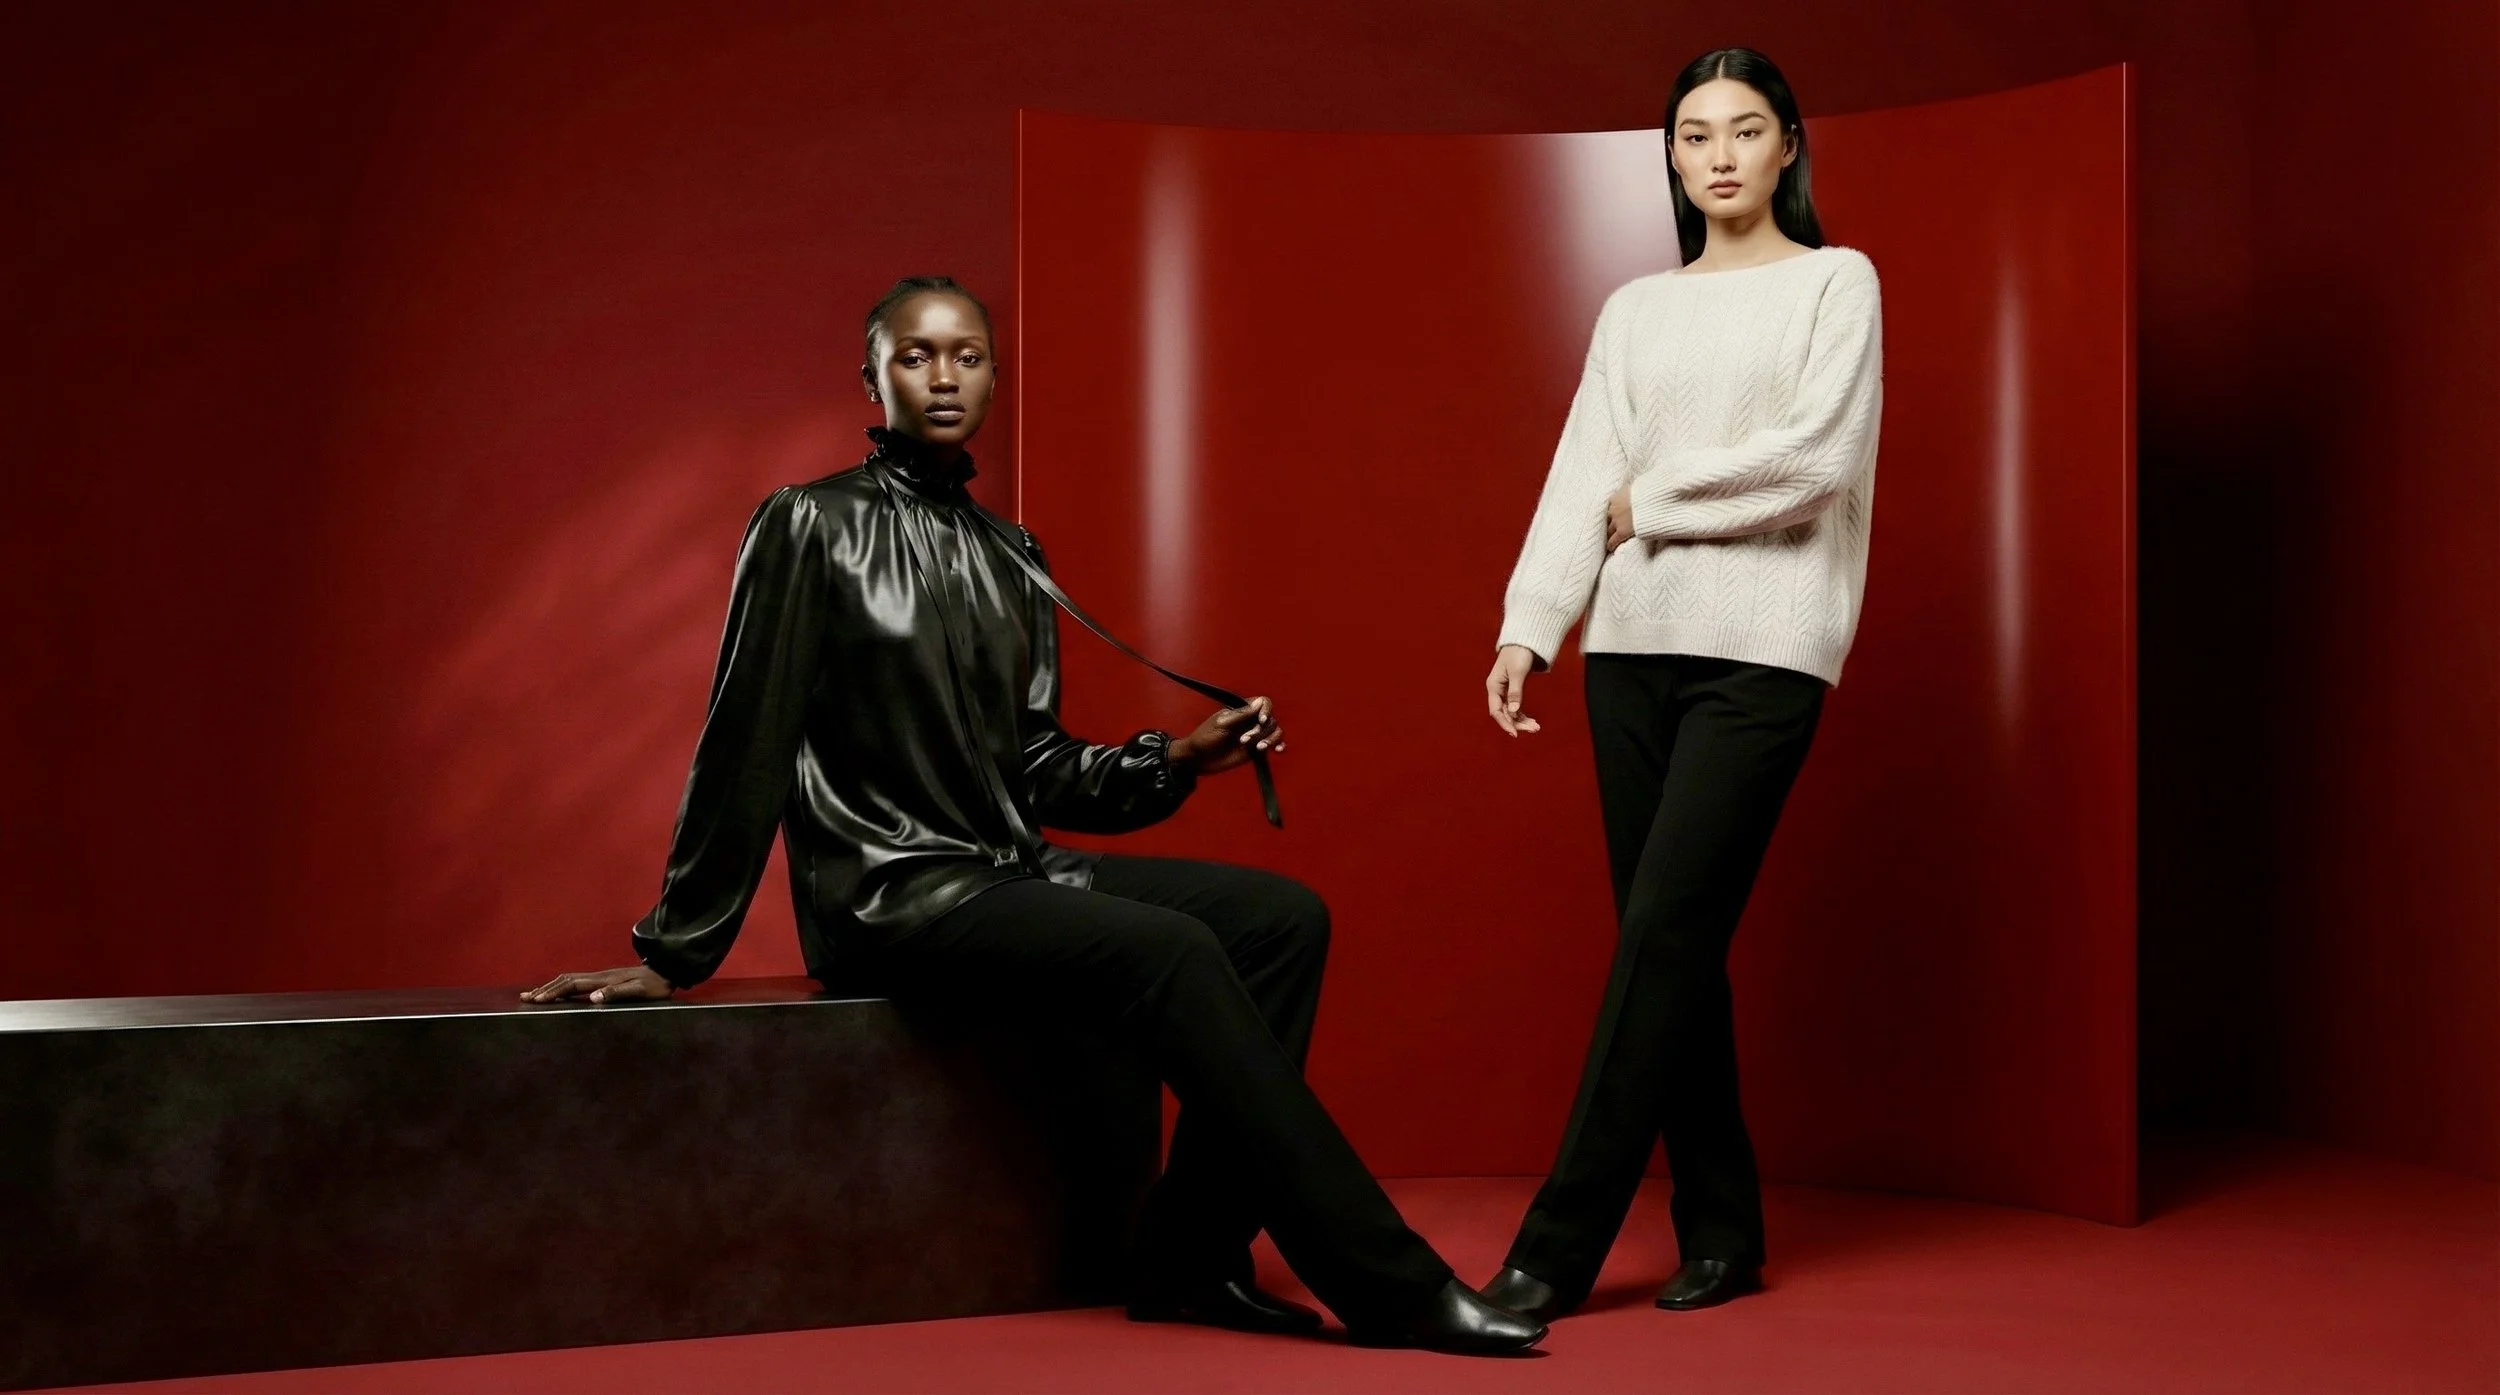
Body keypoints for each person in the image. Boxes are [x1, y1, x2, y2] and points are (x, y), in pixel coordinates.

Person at [523, 276, 1543, 1355]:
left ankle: (1190, 1258)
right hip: (891, 895)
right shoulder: (808, 524)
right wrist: (677, 950)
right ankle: (1390, 1283)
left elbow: (1039, 765)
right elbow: (747, 735)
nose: (944, 376)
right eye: (916, 355)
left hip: (1006, 872)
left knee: (1282, 920)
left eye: (967, 356)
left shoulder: (1012, 552)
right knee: (1173, 950)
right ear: (871, 377)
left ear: (994, 378)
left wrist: (1179, 759)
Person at [1476, 48, 1884, 1319]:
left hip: (1765, 649)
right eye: (1695, 134)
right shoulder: (1634, 310)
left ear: (1788, 147)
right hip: (1630, 648)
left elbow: (1813, 463)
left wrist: (1648, 501)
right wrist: (1532, 623)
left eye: (1745, 130)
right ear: (1670, 157)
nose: (1719, 155)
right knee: (1673, 949)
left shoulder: (1835, 282)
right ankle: (1722, 1229)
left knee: (1662, 936)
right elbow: (1579, 468)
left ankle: (1552, 1253)